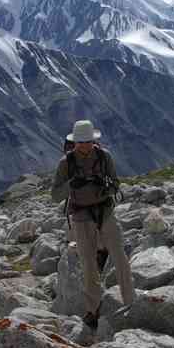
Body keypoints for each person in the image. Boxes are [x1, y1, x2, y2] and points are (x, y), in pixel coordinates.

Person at [51, 120, 134, 329]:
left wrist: (106, 186)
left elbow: (116, 184)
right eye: (81, 142)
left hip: (105, 212)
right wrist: (71, 184)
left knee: (120, 257)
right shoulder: (65, 163)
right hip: (80, 217)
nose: (85, 146)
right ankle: (92, 310)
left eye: (88, 141)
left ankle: (131, 302)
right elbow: (54, 195)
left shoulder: (105, 157)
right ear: (74, 143)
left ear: (93, 140)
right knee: (88, 264)